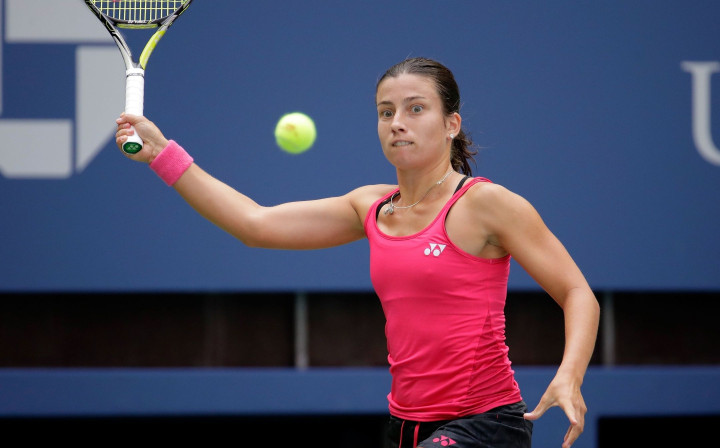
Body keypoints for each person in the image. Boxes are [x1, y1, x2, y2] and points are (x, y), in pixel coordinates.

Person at [114, 57, 600, 448]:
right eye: (386, 112)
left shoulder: (487, 204)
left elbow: (577, 291)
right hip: (405, 426)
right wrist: (161, 154)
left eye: (415, 109)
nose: (397, 123)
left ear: (451, 124)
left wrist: (569, 376)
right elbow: (254, 224)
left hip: (486, 425)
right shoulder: (370, 206)